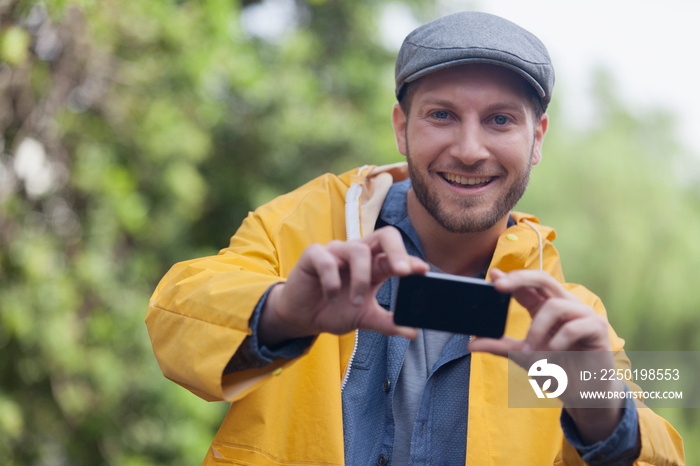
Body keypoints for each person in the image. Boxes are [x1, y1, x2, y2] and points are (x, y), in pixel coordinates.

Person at [146, 11, 684, 465]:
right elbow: (175, 315)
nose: (470, 149)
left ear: (536, 138)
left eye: (500, 120)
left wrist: (598, 406)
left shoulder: (564, 321)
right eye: (442, 115)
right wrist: (285, 310)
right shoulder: (305, 230)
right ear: (402, 126)